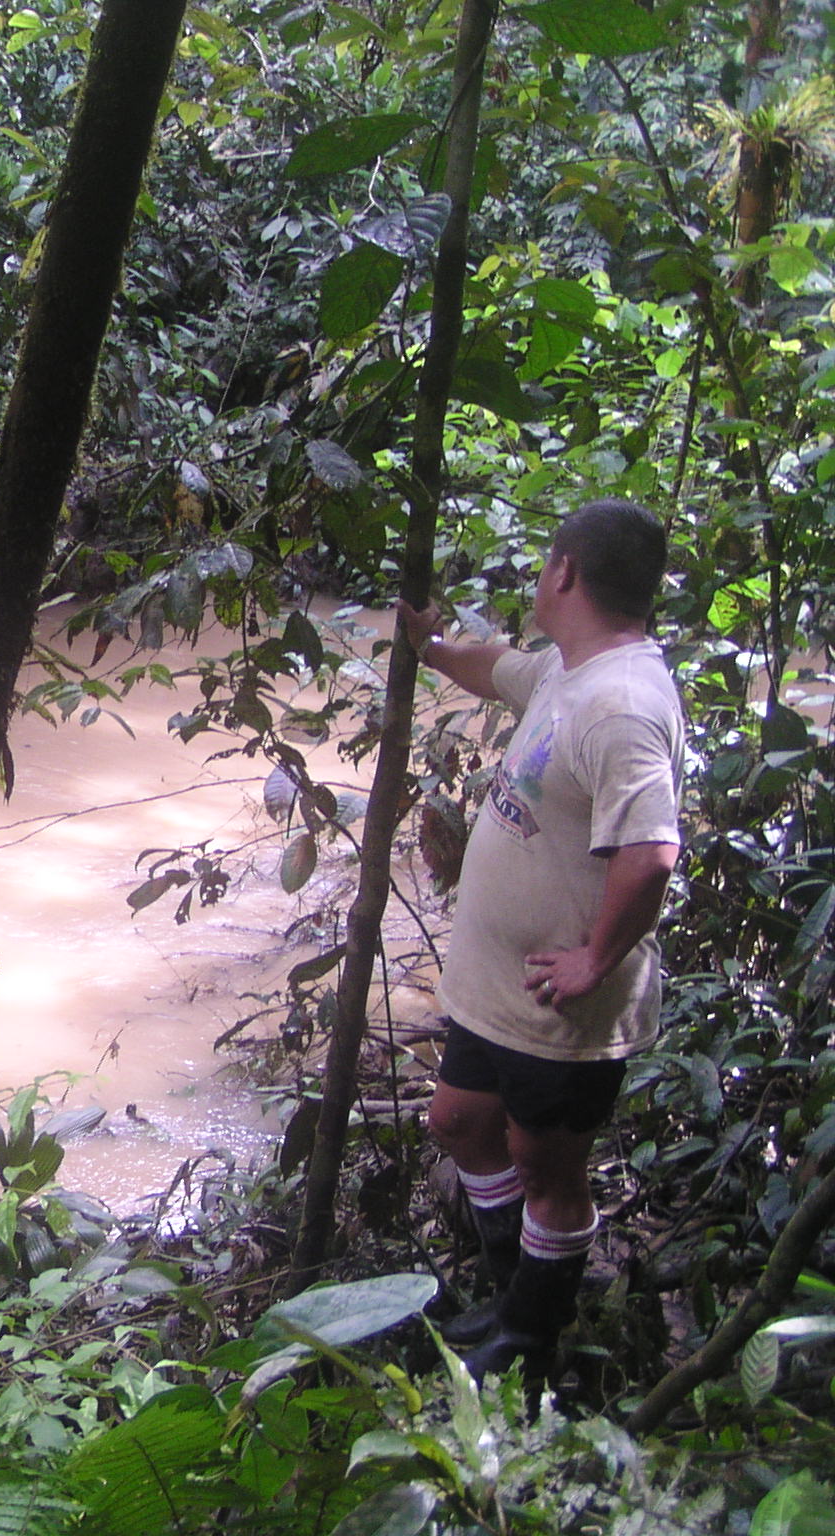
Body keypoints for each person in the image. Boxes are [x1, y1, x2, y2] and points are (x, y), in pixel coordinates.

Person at [398, 498, 684, 1383]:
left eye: (542, 565)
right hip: (499, 993)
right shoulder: (571, 670)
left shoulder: (621, 704)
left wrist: (595, 960)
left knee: (547, 1166)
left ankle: (531, 1334)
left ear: (564, 571)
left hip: (560, 1005)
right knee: (459, 1122)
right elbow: (498, 670)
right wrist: (432, 647)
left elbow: (651, 852)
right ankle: (509, 1287)